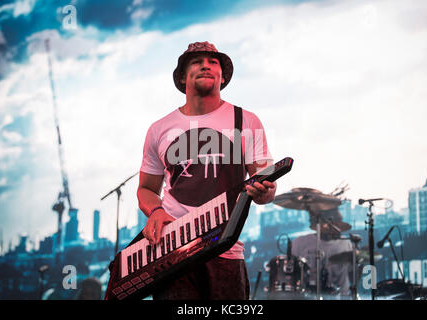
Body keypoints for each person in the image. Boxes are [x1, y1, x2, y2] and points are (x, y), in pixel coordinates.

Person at [137, 41, 276, 300]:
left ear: (222, 77)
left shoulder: (247, 120)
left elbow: (267, 189)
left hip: (224, 249)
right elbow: (146, 189)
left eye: (213, 62)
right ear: (182, 75)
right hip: (172, 250)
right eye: (196, 61)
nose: (206, 65)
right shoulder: (159, 129)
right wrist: (155, 211)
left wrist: (264, 192)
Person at [291, 209, 353, 299]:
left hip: (341, 296)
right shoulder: (300, 242)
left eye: (341, 221)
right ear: (325, 224)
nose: (340, 227)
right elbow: (292, 275)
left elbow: (352, 274)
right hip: (308, 295)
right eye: (337, 222)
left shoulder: (346, 243)